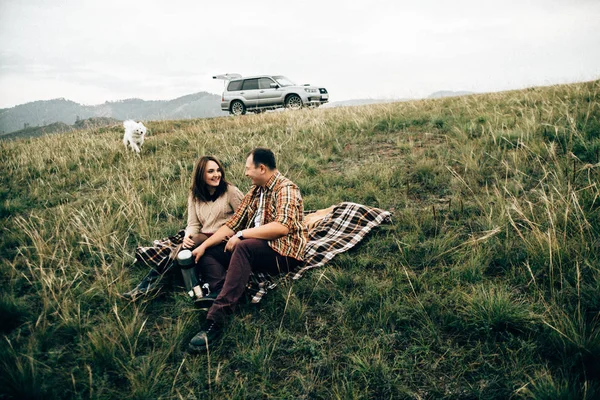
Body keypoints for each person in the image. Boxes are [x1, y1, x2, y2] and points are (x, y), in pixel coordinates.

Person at [188, 147, 307, 352]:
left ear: (261, 168)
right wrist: (204, 246)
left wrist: (241, 235)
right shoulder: (255, 192)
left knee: (243, 247)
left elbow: (281, 228)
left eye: (248, 168)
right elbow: (232, 224)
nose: (245, 173)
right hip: (258, 248)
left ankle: (216, 319)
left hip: (284, 252)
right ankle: (225, 290)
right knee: (210, 252)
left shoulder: (286, 189)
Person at [122, 156, 244, 299]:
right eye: (211, 171)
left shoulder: (230, 191)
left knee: (188, 250)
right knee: (182, 249)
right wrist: (187, 236)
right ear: (201, 174)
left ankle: (154, 288)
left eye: (218, 170)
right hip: (204, 235)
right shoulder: (194, 194)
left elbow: (244, 218)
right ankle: (147, 287)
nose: (216, 174)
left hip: (225, 236)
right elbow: (193, 224)